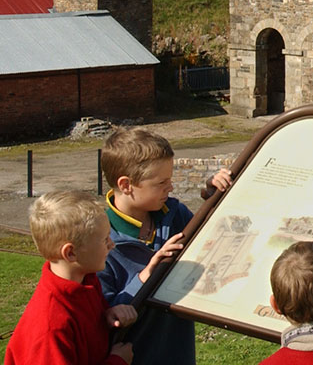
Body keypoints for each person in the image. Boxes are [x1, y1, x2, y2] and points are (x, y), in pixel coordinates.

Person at [96, 127, 233, 364]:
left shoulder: (175, 214)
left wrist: (213, 197)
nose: (170, 187)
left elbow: (211, 240)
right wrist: (145, 276)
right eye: (161, 182)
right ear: (126, 185)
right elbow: (101, 316)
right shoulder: (99, 241)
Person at [5, 191, 138, 365]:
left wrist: (107, 315)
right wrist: (117, 361)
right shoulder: (51, 327)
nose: (111, 245)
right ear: (71, 253)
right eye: (104, 239)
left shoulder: (86, 281)